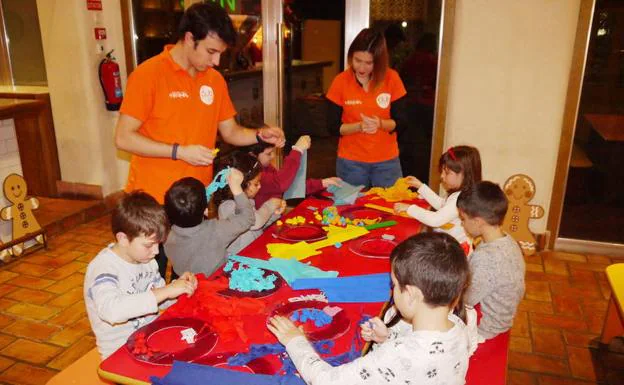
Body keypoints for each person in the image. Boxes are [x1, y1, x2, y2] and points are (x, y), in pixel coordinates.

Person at [114, 2, 284, 276]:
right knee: (149, 277)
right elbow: (123, 138)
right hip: (153, 201)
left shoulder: (214, 81)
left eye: (220, 54)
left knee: (187, 274)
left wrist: (258, 134)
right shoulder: (148, 74)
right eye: (211, 51)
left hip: (196, 201)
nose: (216, 61)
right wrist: (179, 152)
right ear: (189, 38)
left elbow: (230, 132)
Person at [267, 232, 478, 384]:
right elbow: (420, 360)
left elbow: (326, 380)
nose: (392, 290)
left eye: (394, 285)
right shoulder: (458, 326)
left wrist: (294, 340)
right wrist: (388, 339)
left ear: (412, 295)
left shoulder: (398, 355)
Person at [84, 191, 198, 359]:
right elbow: (111, 311)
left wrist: (178, 288)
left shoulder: (146, 260)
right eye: (149, 245)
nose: (156, 252)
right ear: (123, 239)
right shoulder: (103, 269)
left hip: (150, 340)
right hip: (120, 353)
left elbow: (160, 301)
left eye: (159, 244)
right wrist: (165, 292)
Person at [326, 28, 408, 188]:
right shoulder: (340, 81)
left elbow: (402, 122)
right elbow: (332, 127)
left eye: (369, 63)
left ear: (379, 61)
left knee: (390, 208)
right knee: (351, 210)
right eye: (357, 60)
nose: (361, 68)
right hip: (350, 162)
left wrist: (380, 124)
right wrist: (359, 126)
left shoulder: (392, 79)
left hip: (387, 162)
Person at [457, 181, 526, 341]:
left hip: (484, 329)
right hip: (500, 317)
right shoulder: (507, 240)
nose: (462, 223)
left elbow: (466, 299)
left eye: (463, 218)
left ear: (478, 222)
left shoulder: (487, 258)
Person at [163, 170, 254, 277]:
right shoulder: (216, 230)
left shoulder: (165, 235)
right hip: (216, 283)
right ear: (205, 211)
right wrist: (236, 188)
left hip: (186, 286)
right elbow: (247, 217)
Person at [394, 145, 482, 253]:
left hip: (453, 252)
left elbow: (435, 219)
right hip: (448, 246)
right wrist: (421, 187)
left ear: (464, 174)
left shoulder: (459, 199)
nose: (442, 176)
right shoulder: (461, 194)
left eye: (447, 172)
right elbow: (441, 205)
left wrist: (410, 208)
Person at [216, 151, 286, 255]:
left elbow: (257, 228)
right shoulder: (227, 207)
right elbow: (254, 222)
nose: (260, 186)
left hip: (253, 252)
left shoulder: (247, 202)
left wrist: (274, 213)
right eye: (256, 183)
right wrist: (270, 206)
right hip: (237, 261)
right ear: (242, 184)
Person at [246, 135, 342, 207]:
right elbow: (281, 183)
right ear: (253, 155)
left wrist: (323, 183)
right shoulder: (255, 176)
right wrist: (297, 150)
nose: (273, 156)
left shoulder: (266, 167)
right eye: (269, 154)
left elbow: (290, 186)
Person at [399, 33, 438, 182]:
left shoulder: (410, 60)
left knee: (409, 145)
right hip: (426, 105)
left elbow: (404, 80)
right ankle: (419, 179)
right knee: (423, 148)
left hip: (410, 104)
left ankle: (407, 177)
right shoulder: (431, 61)